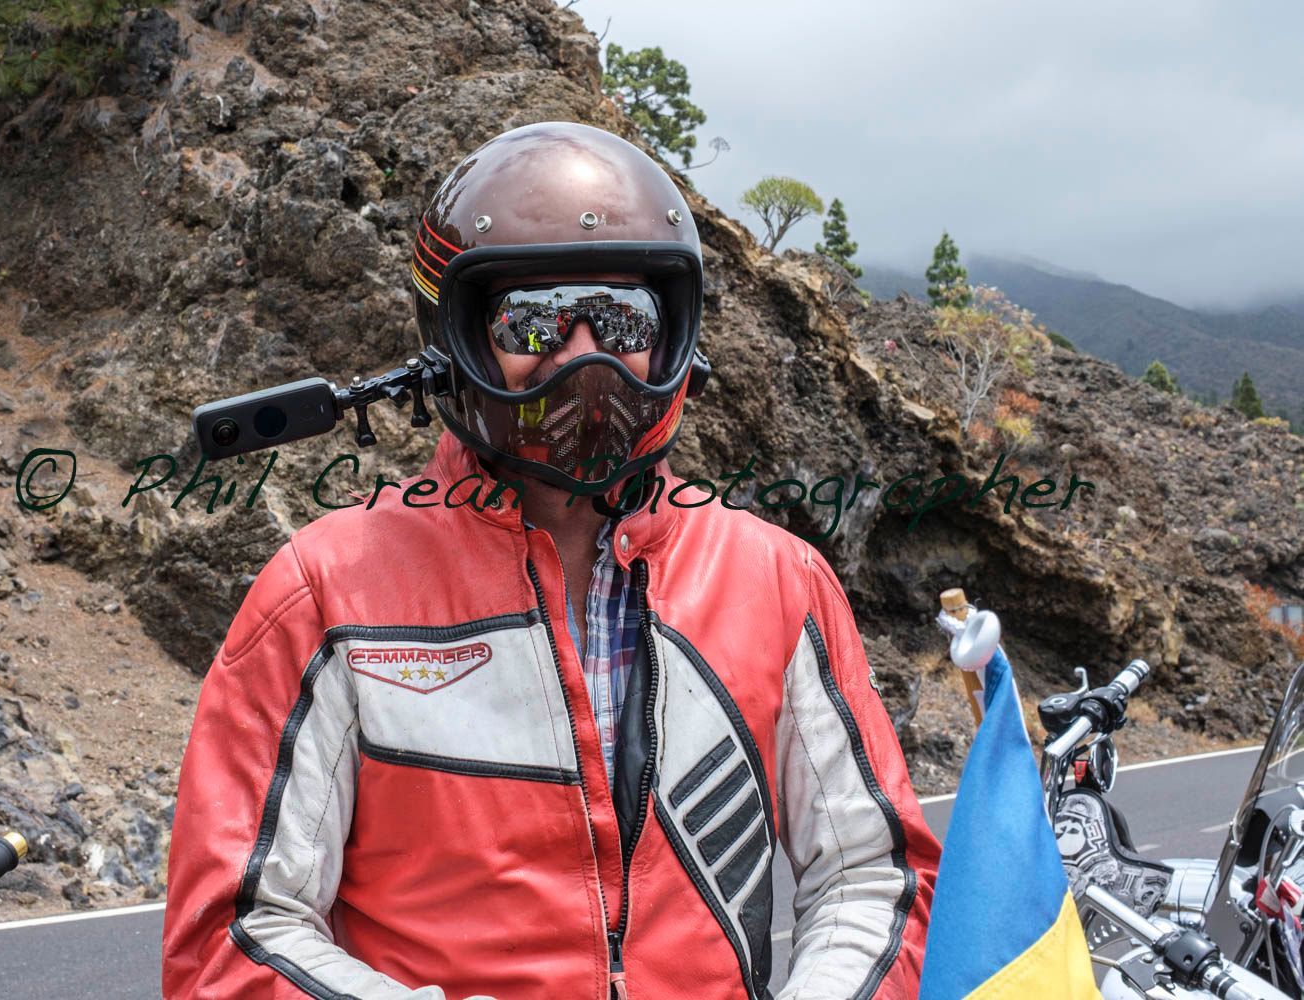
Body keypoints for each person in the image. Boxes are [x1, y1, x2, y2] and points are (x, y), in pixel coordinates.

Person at [161, 120, 941, 1000]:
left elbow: (873, 875)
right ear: (458, 337)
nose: (583, 354)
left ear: (674, 331)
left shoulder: (777, 581)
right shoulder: (326, 593)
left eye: (621, 317)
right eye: (531, 320)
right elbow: (235, 934)